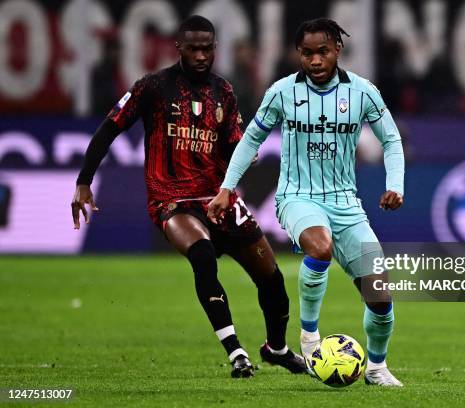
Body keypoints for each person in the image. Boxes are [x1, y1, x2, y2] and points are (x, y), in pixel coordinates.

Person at [70, 15, 306, 378]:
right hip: (172, 199)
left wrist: (244, 153)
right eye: (193, 48)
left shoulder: (223, 91)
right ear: (178, 47)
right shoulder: (153, 87)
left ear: (215, 48)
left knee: (272, 278)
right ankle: (236, 352)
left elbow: (233, 145)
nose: (200, 55)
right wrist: (85, 180)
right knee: (202, 254)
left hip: (219, 198)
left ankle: (276, 348)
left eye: (206, 48)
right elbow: (109, 127)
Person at [208, 18, 405, 386]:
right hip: (298, 197)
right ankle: (310, 337)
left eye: (322, 52)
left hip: (346, 203)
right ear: (298, 53)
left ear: (338, 50)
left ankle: (376, 368)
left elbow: (391, 140)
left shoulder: (363, 92)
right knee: (320, 246)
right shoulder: (282, 92)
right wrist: (226, 187)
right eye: (307, 53)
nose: (315, 60)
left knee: (380, 297)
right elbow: (251, 138)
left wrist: (396, 185)